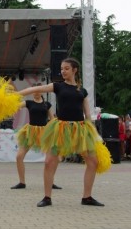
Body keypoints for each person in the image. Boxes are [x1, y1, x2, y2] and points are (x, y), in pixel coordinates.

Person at [18, 57, 105, 207]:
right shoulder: (58, 86)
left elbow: (88, 115)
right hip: (60, 129)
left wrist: (95, 135)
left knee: (93, 161)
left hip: (81, 130)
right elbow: (35, 89)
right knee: (49, 162)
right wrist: (16, 94)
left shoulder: (82, 91)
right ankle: (47, 197)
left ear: (74, 70)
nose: (63, 71)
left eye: (66, 68)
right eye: (62, 68)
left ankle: (87, 197)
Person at [11, 84, 61, 190]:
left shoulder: (47, 104)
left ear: (41, 91)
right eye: (34, 91)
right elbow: (15, 106)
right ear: (32, 92)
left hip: (44, 132)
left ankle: (50, 181)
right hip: (30, 132)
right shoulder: (28, 103)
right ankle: (22, 182)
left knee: (55, 158)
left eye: (38, 90)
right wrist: (8, 100)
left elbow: (52, 119)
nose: (36, 92)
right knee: (19, 156)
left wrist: (55, 130)